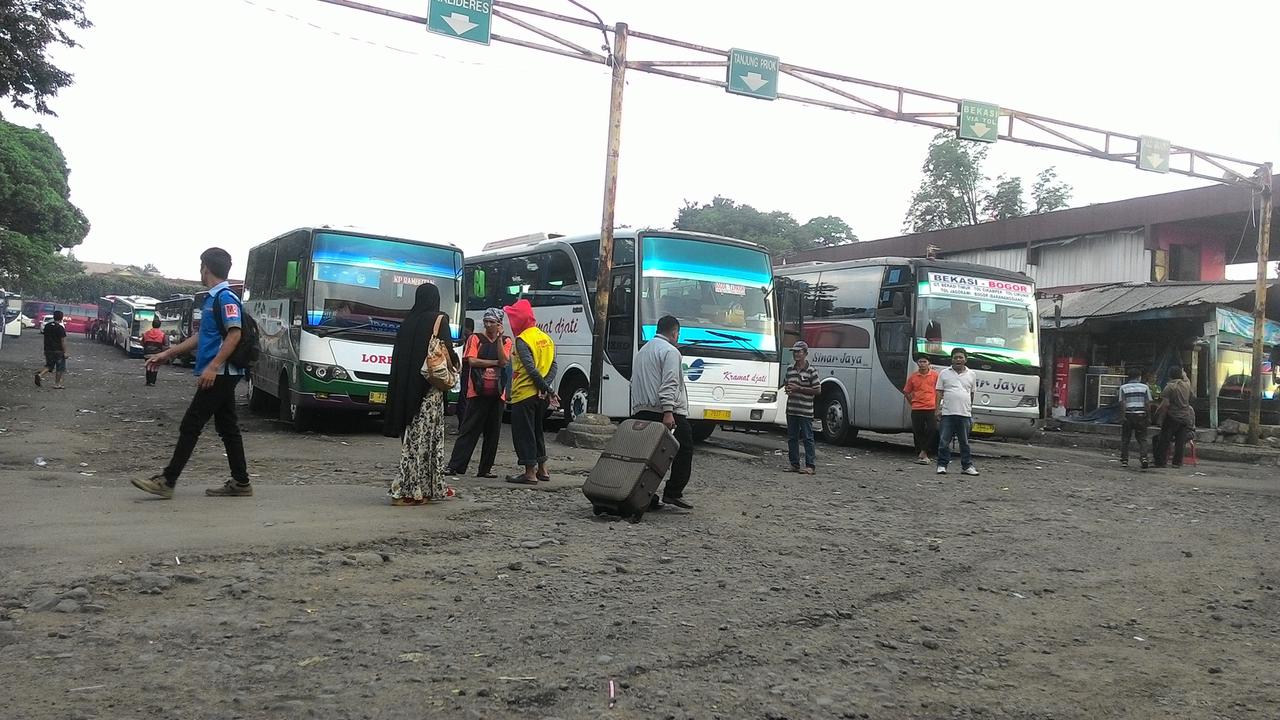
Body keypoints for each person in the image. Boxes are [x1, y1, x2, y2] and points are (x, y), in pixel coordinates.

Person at [131, 248, 253, 500]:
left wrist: (213, 366)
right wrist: (167, 353)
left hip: (222, 373)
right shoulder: (212, 299)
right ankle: (241, 482)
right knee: (227, 426)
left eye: (201, 267)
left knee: (191, 424)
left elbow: (235, 334)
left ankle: (167, 480)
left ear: (205, 267)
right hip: (221, 371)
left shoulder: (225, 298)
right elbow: (201, 337)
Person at [382, 283, 459, 506]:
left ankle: (416, 489)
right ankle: (413, 489)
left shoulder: (406, 323)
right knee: (428, 442)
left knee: (412, 442)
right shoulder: (439, 320)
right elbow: (447, 353)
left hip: (407, 393)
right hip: (429, 391)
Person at [630, 315, 694, 509]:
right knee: (684, 449)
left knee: (647, 457)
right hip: (664, 411)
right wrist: (668, 411)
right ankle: (673, 492)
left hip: (642, 410)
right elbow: (670, 382)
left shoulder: (643, 350)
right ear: (674, 333)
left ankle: (643, 493)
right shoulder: (670, 352)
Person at [446, 308, 511, 479]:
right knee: (468, 429)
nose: (488, 325)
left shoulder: (506, 341)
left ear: (499, 324)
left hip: (497, 393)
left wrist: (498, 340)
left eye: (492, 322)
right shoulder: (475, 338)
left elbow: (504, 361)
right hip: (477, 390)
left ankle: (485, 469)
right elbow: (472, 361)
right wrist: (494, 362)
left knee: (493, 432)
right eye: (486, 321)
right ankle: (456, 465)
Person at [504, 299, 558, 485]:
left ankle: (529, 472)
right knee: (537, 431)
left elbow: (530, 369)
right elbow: (553, 366)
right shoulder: (546, 338)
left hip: (524, 394)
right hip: (541, 397)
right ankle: (543, 469)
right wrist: (547, 388)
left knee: (524, 433)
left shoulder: (522, 339)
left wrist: (546, 388)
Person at [935, 347, 979, 476]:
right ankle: (942, 465)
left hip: (964, 414)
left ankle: (967, 466)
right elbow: (939, 392)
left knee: (964, 442)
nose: (958, 360)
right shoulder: (944, 373)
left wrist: (969, 408)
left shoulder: (972, 374)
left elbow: (971, 393)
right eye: (955, 357)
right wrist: (937, 409)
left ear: (965, 359)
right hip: (948, 413)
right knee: (944, 441)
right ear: (952, 359)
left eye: (961, 357)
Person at [784, 341, 820, 474]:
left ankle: (810, 466)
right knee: (792, 438)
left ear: (805, 353)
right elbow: (786, 385)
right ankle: (794, 464)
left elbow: (817, 390)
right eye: (795, 352)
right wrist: (788, 390)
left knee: (807, 438)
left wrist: (799, 388)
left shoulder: (811, 371)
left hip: (805, 411)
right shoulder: (789, 369)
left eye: (799, 352)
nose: (796, 354)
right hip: (792, 409)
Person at [1152, 366, 1195, 469]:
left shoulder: (1169, 387)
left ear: (1169, 375)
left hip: (1172, 417)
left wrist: (1157, 414)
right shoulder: (1187, 385)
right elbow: (1186, 377)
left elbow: (1165, 405)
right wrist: (1183, 373)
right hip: (1185, 417)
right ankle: (1177, 463)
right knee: (1180, 442)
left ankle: (1161, 462)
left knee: (1164, 440)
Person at [903, 355, 939, 465]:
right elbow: (906, 391)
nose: (922, 364)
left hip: (931, 407)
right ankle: (920, 453)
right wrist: (912, 402)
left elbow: (940, 390)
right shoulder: (913, 377)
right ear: (917, 363)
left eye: (924, 361)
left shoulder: (935, 376)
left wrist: (938, 406)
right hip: (917, 408)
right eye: (920, 361)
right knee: (918, 431)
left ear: (929, 363)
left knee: (932, 429)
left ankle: (924, 452)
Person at [1118, 366, 1153, 469]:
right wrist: (1149, 416)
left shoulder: (1123, 388)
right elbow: (1147, 403)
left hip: (1128, 415)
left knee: (1125, 439)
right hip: (1141, 415)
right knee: (1142, 439)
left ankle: (1124, 460)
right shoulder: (1145, 387)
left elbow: (1123, 403)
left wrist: (1122, 416)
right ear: (1139, 377)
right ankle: (1144, 458)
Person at [35, 310, 68, 389]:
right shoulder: (60, 328)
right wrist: (65, 352)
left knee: (49, 366)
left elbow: (45, 337)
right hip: (58, 351)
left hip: (48, 350)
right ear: (61, 318)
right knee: (60, 368)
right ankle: (57, 384)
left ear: (53, 317)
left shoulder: (47, 326)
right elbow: (62, 341)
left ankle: (40, 375)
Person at [456, 317, 476, 427]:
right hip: (468, 372)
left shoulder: (470, 339)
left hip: (467, 373)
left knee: (463, 400)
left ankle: (463, 426)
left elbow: (467, 357)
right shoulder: (472, 338)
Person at [141, 318, 168, 386]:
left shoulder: (146, 333)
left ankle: (148, 381)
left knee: (148, 366)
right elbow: (166, 344)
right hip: (157, 354)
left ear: (152, 325)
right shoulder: (162, 334)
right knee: (155, 367)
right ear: (159, 325)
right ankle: (152, 382)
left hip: (147, 353)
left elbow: (142, 343)